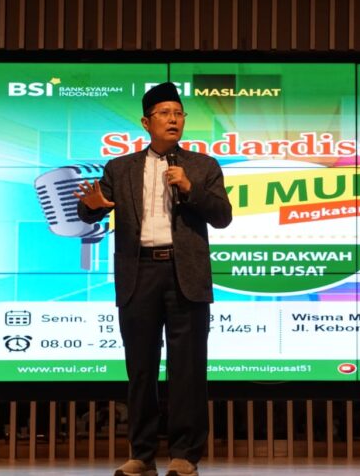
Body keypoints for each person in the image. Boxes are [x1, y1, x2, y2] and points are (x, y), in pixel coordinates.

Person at [74, 82, 232, 476]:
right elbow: (92, 208)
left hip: (186, 274)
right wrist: (90, 207)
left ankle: (184, 455)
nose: (173, 119)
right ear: (146, 122)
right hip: (139, 273)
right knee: (141, 368)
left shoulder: (203, 166)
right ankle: (142, 455)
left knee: (188, 368)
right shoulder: (120, 168)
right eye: (164, 113)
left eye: (178, 113)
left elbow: (223, 216)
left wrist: (190, 188)